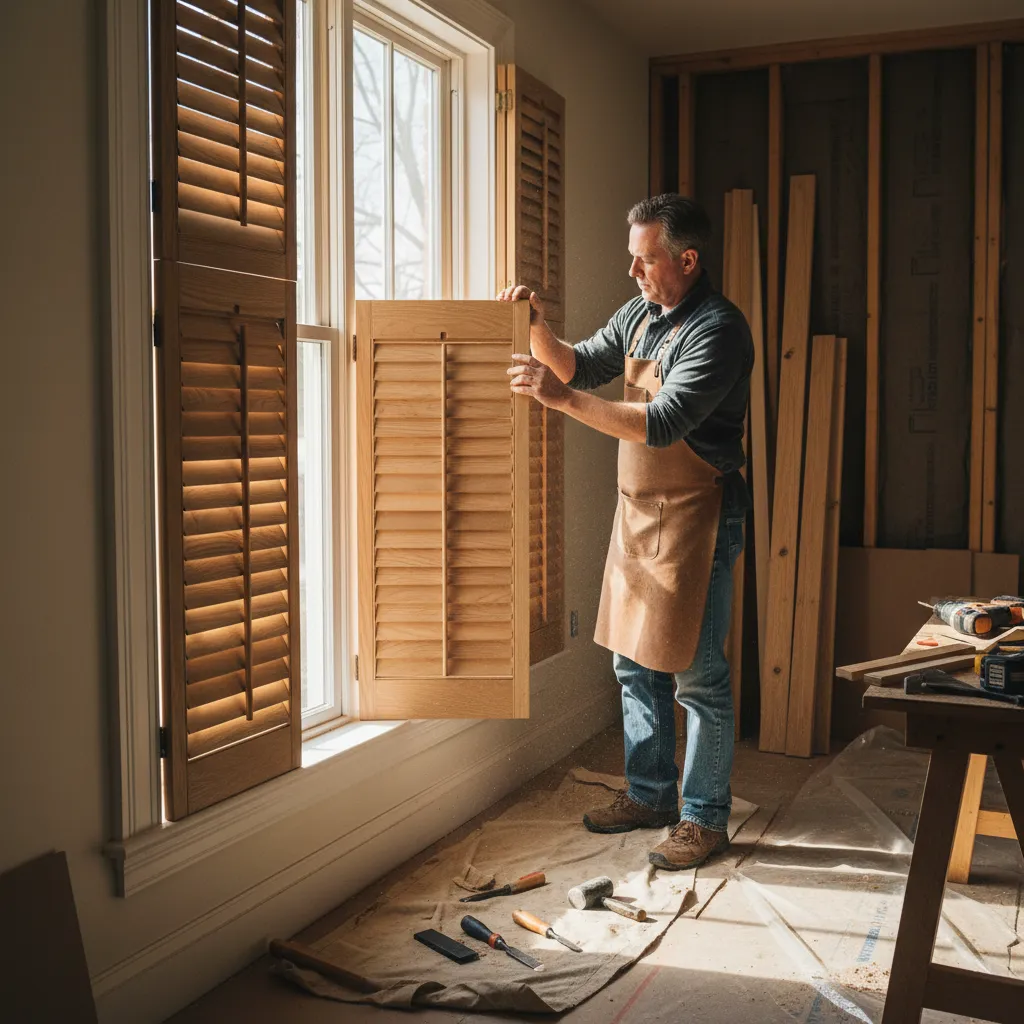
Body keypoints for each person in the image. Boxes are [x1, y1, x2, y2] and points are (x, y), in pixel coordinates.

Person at [499, 193, 753, 870]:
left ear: (687, 260)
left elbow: (662, 423)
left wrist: (560, 403)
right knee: (630, 661)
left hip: (700, 512)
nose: (633, 271)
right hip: (640, 509)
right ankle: (650, 794)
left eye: (645, 259)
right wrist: (534, 330)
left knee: (697, 677)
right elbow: (579, 364)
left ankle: (704, 819)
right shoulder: (640, 315)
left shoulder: (719, 330)